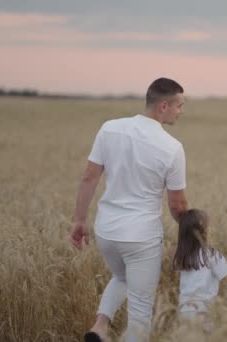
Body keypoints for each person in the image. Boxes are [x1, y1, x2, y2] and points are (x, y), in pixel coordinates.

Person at [70, 77, 188, 342]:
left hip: (107, 231)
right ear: (164, 106)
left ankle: (99, 326)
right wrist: (192, 234)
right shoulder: (172, 148)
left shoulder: (110, 129)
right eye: (180, 105)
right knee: (141, 311)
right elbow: (177, 205)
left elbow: (89, 177)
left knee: (122, 276)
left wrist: (79, 220)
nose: (182, 111)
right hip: (141, 237)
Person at [173, 209, 227, 332]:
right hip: (205, 311)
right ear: (204, 231)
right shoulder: (212, 255)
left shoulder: (182, 257)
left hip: (184, 310)